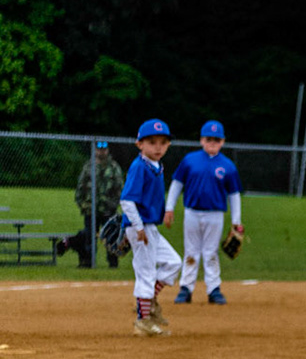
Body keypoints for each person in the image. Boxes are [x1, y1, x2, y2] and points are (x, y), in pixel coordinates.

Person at [164, 121, 243, 305]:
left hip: (215, 214)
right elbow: (177, 184)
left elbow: (234, 194)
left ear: (222, 141)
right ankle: (186, 288)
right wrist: (169, 208)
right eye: (209, 139)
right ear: (201, 140)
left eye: (216, 140)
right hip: (192, 212)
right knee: (191, 251)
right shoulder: (190, 160)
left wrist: (236, 221)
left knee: (211, 252)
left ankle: (214, 289)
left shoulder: (228, 166)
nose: (212, 143)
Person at [121, 119, 182, 336]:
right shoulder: (139, 167)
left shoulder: (156, 166)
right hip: (141, 228)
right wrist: (137, 228)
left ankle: (149, 302)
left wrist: (166, 210)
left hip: (150, 227)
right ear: (140, 144)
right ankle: (143, 320)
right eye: (152, 142)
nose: (158, 147)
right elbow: (127, 201)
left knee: (174, 262)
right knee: (146, 272)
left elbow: (152, 197)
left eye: (163, 142)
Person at [55, 141, 125, 268]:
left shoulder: (114, 168)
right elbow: (80, 188)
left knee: (112, 236)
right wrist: (83, 205)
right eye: (99, 149)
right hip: (90, 210)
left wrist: (114, 204)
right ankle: (87, 261)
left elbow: (119, 188)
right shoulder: (88, 167)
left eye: (104, 149)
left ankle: (113, 262)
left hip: (108, 209)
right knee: (89, 236)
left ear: (107, 151)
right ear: (95, 151)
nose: (101, 152)